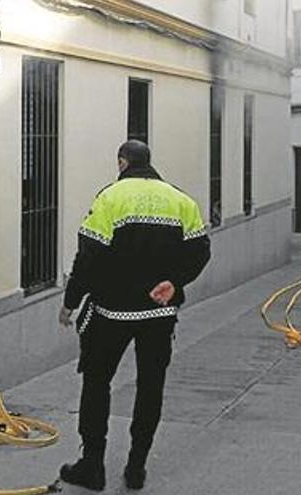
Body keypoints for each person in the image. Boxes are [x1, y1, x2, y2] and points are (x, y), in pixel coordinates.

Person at [58, 140, 211, 491]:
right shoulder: (180, 200)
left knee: (96, 384)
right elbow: (201, 252)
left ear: (122, 162)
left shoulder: (110, 197)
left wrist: (70, 301)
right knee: (150, 387)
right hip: (159, 313)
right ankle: (137, 467)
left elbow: (88, 255)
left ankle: (92, 466)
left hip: (110, 313)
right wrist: (174, 282)